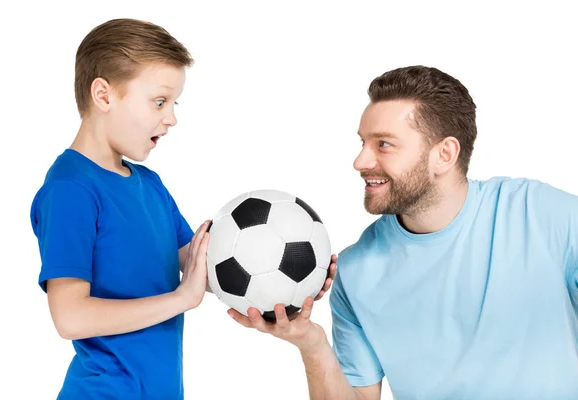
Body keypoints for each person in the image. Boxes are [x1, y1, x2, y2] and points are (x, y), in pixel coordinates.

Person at [29, 18, 337, 399]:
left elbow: (207, 268)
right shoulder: (70, 189)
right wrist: (179, 299)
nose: (171, 117)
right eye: (159, 101)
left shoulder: (149, 185)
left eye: (174, 103)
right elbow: (70, 317)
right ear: (104, 96)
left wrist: (291, 282)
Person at [229, 65, 578, 399]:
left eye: (383, 144)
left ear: (444, 154)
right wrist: (310, 343)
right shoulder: (356, 270)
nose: (360, 161)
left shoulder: (542, 215)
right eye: (363, 142)